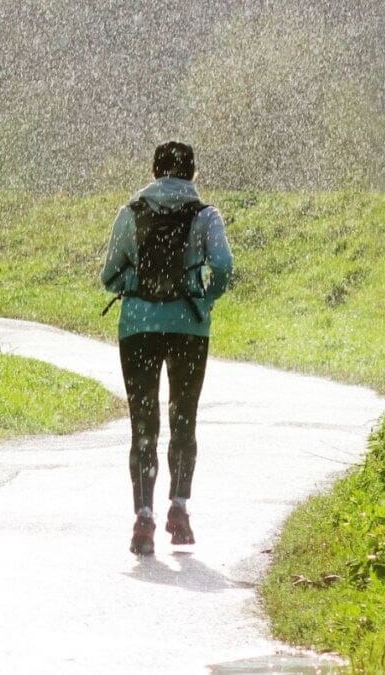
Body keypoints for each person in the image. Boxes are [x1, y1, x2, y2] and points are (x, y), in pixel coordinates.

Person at [100, 141, 233, 555]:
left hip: (138, 325)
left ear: (155, 171)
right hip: (188, 327)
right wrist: (204, 299)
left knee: (143, 422)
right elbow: (223, 266)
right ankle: (178, 505)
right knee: (184, 416)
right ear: (193, 173)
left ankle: (143, 515)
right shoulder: (205, 215)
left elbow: (109, 275)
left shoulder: (131, 212)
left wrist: (133, 287)